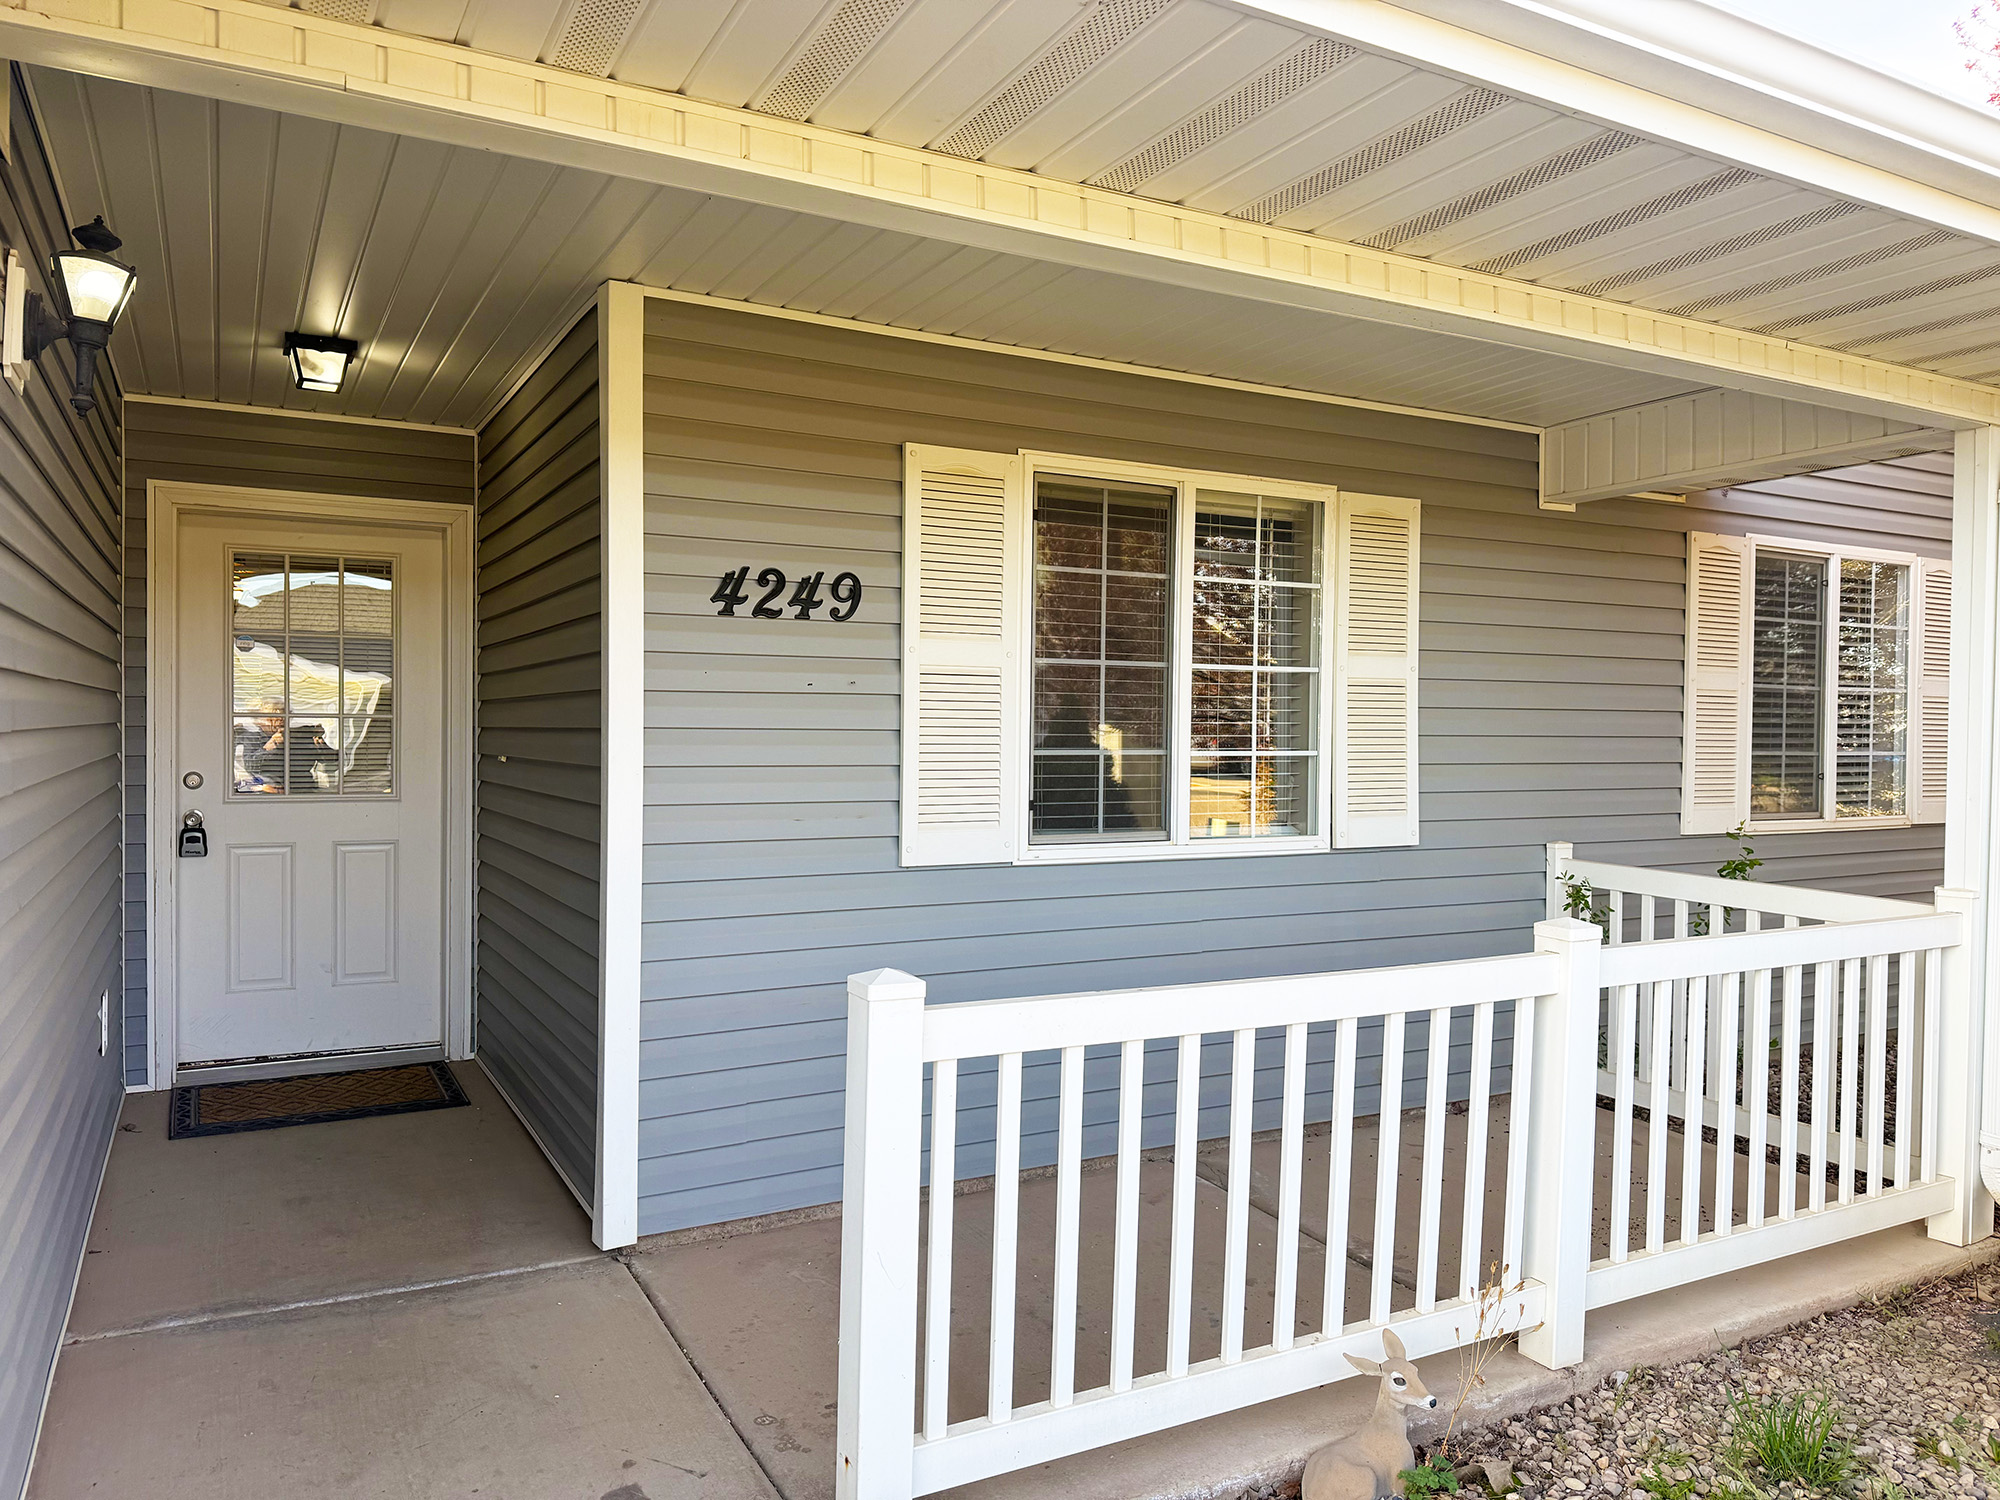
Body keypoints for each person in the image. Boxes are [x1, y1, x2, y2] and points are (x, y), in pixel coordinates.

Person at [234, 700, 339, 793]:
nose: (280, 721)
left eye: (283, 717)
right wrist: (269, 747)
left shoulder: (300, 736)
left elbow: (333, 760)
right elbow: (250, 766)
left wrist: (322, 748)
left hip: (303, 792)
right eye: (273, 718)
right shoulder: (252, 737)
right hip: (267, 793)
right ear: (260, 721)